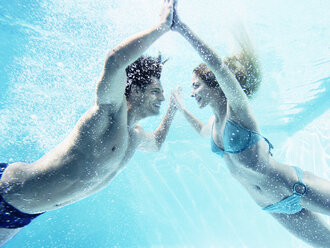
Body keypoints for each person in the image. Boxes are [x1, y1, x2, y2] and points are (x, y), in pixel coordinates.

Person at [0, 0, 177, 246]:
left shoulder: (134, 136)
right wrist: (161, 27)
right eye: (156, 90)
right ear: (135, 91)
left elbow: (156, 143)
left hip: (22, 215)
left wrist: (173, 110)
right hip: (7, 189)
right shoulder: (108, 114)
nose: (162, 97)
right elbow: (115, 61)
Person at [170, 2, 330, 247]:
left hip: (297, 187)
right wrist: (181, 109)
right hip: (274, 207)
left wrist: (182, 28)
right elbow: (202, 131)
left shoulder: (238, 112)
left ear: (215, 85)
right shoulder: (213, 124)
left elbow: (218, 66)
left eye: (196, 86)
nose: (192, 93)